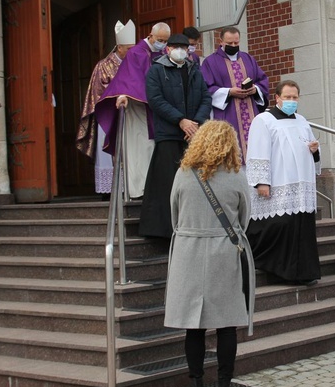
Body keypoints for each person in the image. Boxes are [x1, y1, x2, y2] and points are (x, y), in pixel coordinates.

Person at [163, 120, 254, 387]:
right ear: (230, 144)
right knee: (226, 326)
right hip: (223, 252)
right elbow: (245, 218)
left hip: (188, 252)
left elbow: (174, 215)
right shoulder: (236, 175)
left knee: (194, 327)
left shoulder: (183, 174)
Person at [245, 80, 321, 285]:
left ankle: (303, 273)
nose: (291, 101)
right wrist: (262, 182)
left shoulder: (302, 120)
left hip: (300, 185)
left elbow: (310, 149)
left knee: (301, 227)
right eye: (287, 97)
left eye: (295, 97)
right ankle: (273, 268)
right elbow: (257, 150)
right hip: (277, 182)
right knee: (278, 225)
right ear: (277, 98)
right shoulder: (264, 120)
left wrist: (314, 150)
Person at [139, 33, 212, 238]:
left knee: (195, 183)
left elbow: (206, 98)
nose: (181, 51)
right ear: (168, 49)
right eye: (176, 47)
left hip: (193, 135)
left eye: (185, 47)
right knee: (166, 183)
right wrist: (181, 120)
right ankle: (163, 231)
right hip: (169, 134)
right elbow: (155, 100)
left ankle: (193, 225)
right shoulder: (156, 70)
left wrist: (196, 123)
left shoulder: (194, 70)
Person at [94, 22, 171, 199]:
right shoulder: (137, 53)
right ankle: (138, 190)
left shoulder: (157, 53)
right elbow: (129, 82)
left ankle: (150, 188)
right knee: (140, 149)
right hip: (137, 111)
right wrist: (124, 95)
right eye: (160, 40)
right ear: (151, 36)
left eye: (165, 41)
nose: (163, 44)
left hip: (151, 111)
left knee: (149, 149)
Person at [76, 20, 136, 196]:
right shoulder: (103, 66)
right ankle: (108, 191)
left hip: (131, 115)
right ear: (119, 47)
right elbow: (97, 92)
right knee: (108, 150)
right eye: (128, 49)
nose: (132, 52)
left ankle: (130, 187)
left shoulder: (135, 63)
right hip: (108, 116)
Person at [201, 26, 269, 164]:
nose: (233, 46)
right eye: (229, 43)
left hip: (250, 111)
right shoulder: (210, 62)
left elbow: (263, 80)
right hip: (227, 112)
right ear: (221, 41)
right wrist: (229, 92)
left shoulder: (248, 58)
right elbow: (205, 87)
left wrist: (255, 90)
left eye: (236, 43)